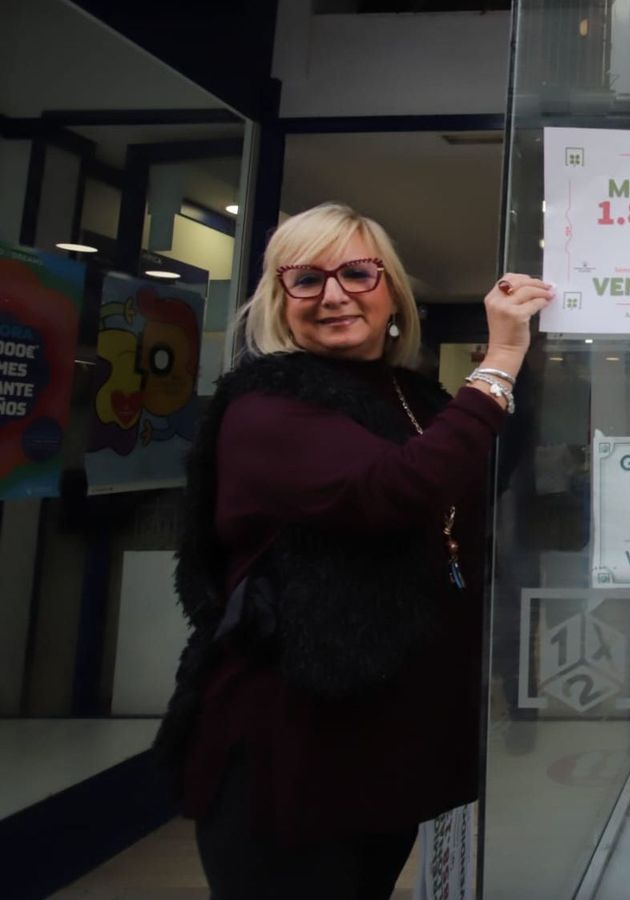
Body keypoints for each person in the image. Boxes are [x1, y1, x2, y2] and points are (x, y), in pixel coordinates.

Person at [152, 202, 552, 899]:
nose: (334, 295)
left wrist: (531, 357)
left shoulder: (406, 395)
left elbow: (470, 480)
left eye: (357, 274)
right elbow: (395, 490)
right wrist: (500, 362)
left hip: (381, 751)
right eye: (307, 279)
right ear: (280, 300)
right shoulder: (267, 407)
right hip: (289, 758)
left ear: (391, 291)